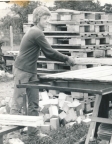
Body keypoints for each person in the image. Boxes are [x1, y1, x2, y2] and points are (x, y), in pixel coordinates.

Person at [9, 6, 75, 139]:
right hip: (22, 70)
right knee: (18, 103)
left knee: (34, 103)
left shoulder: (37, 32)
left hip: (31, 71)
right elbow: (49, 52)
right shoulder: (36, 32)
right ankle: (12, 136)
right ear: (37, 19)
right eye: (45, 18)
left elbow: (47, 53)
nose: (47, 21)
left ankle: (33, 133)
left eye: (48, 18)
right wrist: (67, 59)